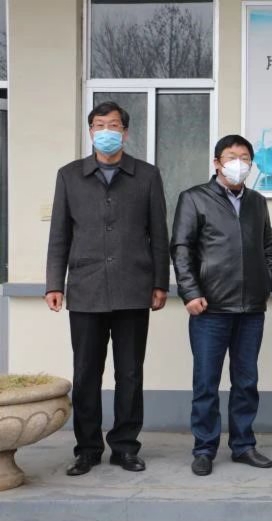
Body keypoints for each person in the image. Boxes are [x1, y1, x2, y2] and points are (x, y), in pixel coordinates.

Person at [45, 101, 170, 476]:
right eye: (99, 125)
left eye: (113, 125)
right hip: (86, 289)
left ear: (125, 132)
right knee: (86, 373)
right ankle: (87, 449)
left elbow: (159, 233)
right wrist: (54, 283)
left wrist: (160, 282)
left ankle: (125, 447)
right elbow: (59, 235)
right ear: (90, 131)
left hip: (134, 288)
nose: (106, 131)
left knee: (130, 373)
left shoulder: (147, 176)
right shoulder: (69, 176)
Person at [170, 135, 272, 476]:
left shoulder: (257, 202)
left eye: (245, 158)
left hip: (251, 309)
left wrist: (268, 280)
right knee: (206, 383)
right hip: (210, 308)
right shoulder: (194, 198)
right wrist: (190, 293)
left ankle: (243, 445)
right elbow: (182, 248)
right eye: (231, 157)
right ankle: (204, 449)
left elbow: (268, 246)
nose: (238, 163)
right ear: (217, 162)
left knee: (246, 382)